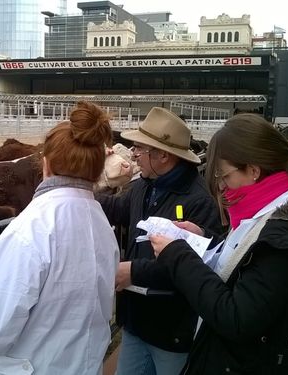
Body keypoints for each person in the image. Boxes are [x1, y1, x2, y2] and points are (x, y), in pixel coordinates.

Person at [139, 113, 288, 374]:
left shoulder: (287, 234)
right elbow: (252, 262)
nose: (221, 186)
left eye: (224, 175)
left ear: (253, 170)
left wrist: (177, 255)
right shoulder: (278, 209)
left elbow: (237, 318)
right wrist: (205, 240)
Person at [0, 101, 120, 374]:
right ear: (97, 170)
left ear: (46, 165)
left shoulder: (31, 227)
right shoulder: (98, 221)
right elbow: (56, 276)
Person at [96, 107, 222, 375]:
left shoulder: (199, 201)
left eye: (140, 149)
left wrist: (134, 271)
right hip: (136, 321)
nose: (133, 154)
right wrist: (79, 192)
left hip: (171, 329)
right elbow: (120, 210)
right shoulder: (144, 185)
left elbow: (196, 268)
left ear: (163, 155)